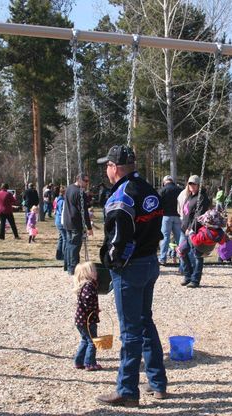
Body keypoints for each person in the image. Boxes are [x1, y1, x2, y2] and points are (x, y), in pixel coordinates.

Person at [95, 145, 167, 407]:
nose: (106, 170)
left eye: (107, 165)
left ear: (115, 167)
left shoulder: (121, 195)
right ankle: (158, 383)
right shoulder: (149, 189)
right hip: (150, 262)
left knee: (130, 330)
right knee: (145, 321)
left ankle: (127, 390)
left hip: (131, 267)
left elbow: (118, 237)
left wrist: (111, 262)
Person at [179, 175, 210, 288]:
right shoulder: (189, 196)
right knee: (181, 251)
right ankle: (188, 276)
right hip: (185, 229)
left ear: (199, 185)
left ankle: (195, 280)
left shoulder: (201, 198)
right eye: (190, 184)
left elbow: (198, 215)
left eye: (194, 184)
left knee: (197, 255)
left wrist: (191, 228)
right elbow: (186, 213)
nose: (192, 186)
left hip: (195, 231)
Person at [73, 261, 102, 371]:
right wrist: (95, 309)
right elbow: (88, 300)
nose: (96, 272)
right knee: (93, 341)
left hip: (81, 320)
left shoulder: (82, 285)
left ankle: (79, 361)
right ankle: (90, 363)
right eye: (94, 271)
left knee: (85, 340)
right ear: (88, 273)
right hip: (87, 320)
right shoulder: (88, 285)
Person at [61, 173, 92, 275]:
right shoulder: (79, 193)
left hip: (67, 221)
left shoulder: (69, 188)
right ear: (79, 180)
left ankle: (67, 266)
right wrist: (89, 227)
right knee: (74, 246)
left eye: (88, 181)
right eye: (85, 181)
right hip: (75, 223)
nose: (87, 183)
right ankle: (73, 268)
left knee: (69, 245)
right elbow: (84, 211)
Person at [158, 175, 182, 266]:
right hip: (178, 216)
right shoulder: (179, 190)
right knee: (179, 238)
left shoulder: (162, 190)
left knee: (165, 238)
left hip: (166, 216)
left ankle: (163, 258)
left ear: (164, 182)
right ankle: (182, 258)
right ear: (172, 181)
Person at [54, 186, 67, 262]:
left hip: (57, 220)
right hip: (61, 221)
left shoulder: (57, 199)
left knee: (61, 238)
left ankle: (59, 255)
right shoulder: (62, 201)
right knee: (65, 238)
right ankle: (64, 255)